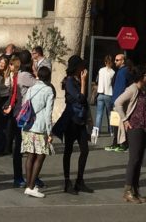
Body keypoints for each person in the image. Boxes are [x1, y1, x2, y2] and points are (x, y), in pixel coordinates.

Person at [115, 64, 146, 203]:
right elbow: (118, 103)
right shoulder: (132, 89)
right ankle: (128, 191)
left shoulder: (141, 90)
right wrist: (124, 119)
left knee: (139, 160)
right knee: (134, 159)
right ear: (142, 77)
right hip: (134, 127)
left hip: (143, 127)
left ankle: (135, 190)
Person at [55, 55, 91, 194]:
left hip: (80, 120)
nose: (84, 68)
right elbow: (81, 98)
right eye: (81, 65)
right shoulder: (70, 81)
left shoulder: (76, 80)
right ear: (76, 67)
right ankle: (67, 181)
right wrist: (83, 82)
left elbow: (85, 102)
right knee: (68, 151)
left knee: (85, 150)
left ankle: (80, 180)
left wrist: (89, 118)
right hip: (71, 120)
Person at [21, 64, 55, 198]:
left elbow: (25, 105)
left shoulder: (31, 88)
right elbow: (48, 114)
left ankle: (29, 184)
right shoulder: (49, 91)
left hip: (28, 125)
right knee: (40, 156)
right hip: (40, 127)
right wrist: (50, 132)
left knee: (30, 156)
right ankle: (31, 186)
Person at [11, 51, 37, 187]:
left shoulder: (19, 74)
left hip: (20, 114)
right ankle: (23, 177)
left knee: (22, 147)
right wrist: (36, 71)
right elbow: (40, 86)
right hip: (24, 115)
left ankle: (24, 176)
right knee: (24, 147)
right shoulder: (25, 76)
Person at [108, 52, 129, 151]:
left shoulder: (124, 71)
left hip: (119, 101)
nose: (115, 61)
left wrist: (118, 100)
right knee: (115, 123)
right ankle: (115, 142)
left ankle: (122, 143)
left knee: (120, 124)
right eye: (115, 60)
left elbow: (122, 87)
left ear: (123, 61)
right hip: (115, 100)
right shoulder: (120, 71)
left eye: (117, 60)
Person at [94, 53, 115, 139]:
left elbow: (97, 80)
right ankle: (111, 131)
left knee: (99, 114)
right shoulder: (113, 72)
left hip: (100, 94)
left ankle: (96, 132)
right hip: (108, 94)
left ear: (105, 62)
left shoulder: (100, 70)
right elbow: (113, 83)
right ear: (112, 62)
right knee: (109, 114)